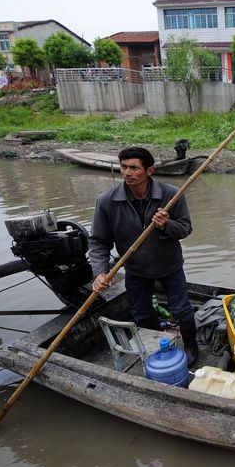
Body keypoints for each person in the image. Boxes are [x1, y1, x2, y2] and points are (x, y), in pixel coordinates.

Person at [88, 147, 199, 365]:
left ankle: (191, 347)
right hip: (136, 269)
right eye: (123, 167)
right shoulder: (107, 201)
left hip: (170, 266)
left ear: (149, 171)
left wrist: (167, 224)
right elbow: (99, 241)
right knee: (141, 313)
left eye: (133, 168)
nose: (127, 173)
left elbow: (185, 229)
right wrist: (100, 273)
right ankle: (158, 345)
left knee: (182, 309)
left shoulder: (170, 194)